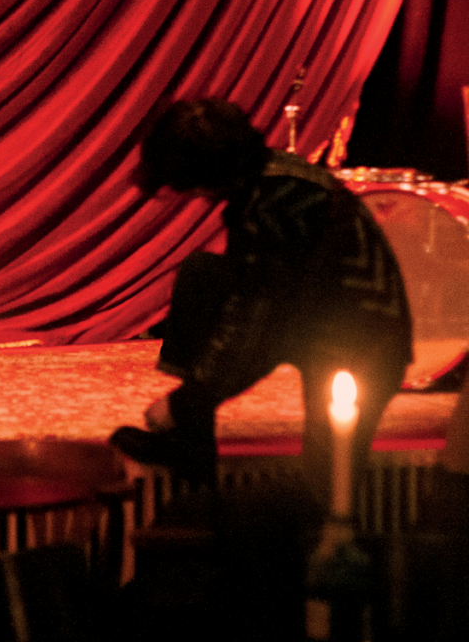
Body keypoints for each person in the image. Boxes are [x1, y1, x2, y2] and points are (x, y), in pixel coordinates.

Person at [111, 98, 413, 506]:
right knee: (202, 274)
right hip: (318, 320)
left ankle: (326, 533)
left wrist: (187, 401)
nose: (193, 196)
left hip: (362, 342)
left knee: (328, 483)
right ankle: (190, 444)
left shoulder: (277, 203)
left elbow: (256, 324)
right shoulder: (271, 179)